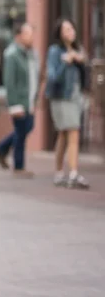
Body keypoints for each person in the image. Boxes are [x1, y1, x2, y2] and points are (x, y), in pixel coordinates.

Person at [0, 23, 41, 178]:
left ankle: (0, 148)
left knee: (27, 127)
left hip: (29, 100)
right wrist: (14, 105)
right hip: (19, 101)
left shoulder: (32, 53)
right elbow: (10, 83)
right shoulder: (12, 54)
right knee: (21, 132)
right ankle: (18, 166)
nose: (31, 36)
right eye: (28, 33)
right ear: (18, 36)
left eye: (32, 33)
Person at [46, 19, 89, 189]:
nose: (71, 31)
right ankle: (73, 173)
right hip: (61, 97)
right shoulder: (54, 51)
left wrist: (80, 61)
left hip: (75, 97)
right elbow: (53, 77)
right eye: (66, 29)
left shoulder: (78, 49)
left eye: (72, 27)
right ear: (59, 33)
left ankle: (58, 173)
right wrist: (66, 62)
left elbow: (86, 75)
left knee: (64, 134)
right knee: (73, 131)